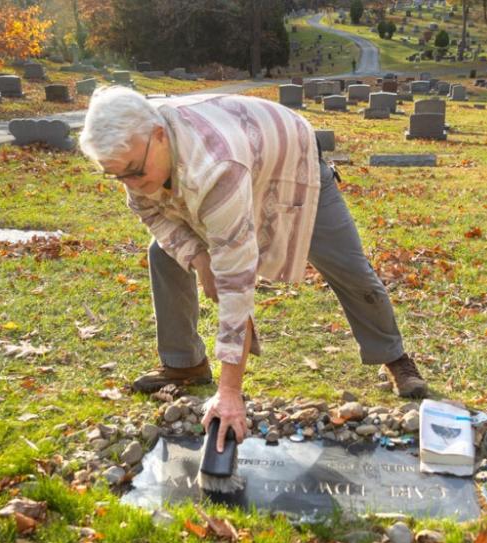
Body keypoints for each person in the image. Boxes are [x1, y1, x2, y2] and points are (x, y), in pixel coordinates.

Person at [79, 86, 427, 453]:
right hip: (235, 161)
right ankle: (184, 363)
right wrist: (198, 259)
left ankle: (394, 356)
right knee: (164, 254)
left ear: (160, 135)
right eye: (118, 177)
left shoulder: (215, 164)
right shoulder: (139, 154)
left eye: (135, 172)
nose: (132, 185)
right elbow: (150, 212)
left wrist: (230, 391)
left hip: (294, 165)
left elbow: (236, 281)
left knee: (347, 266)